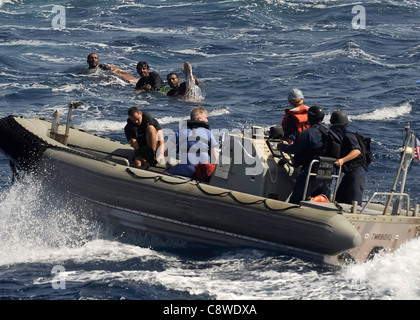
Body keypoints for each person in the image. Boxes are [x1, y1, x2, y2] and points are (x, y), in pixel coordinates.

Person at [280, 106, 337, 204]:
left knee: (296, 200)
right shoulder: (331, 133)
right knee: (323, 201)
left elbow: (294, 149)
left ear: (309, 118)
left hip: (311, 172)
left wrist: (282, 147)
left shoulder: (307, 133)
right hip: (328, 173)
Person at [165, 106, 218, 178]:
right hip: (203, 171)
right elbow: (214, 157)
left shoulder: (180, 131)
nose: (207, 120)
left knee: (167, 172)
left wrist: (168, 165)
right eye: (205, 118)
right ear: (200, 119)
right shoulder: (208, 133)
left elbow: (166, 151)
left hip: (185, 170)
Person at [330, 110, 366, 205]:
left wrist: (342, 160)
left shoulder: (347, 135)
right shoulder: (340, 134)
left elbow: (357, 151)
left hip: (356, 173)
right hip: (348, 173)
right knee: (339, 198)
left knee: (354, 202)